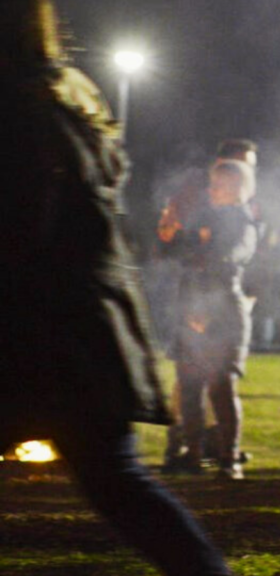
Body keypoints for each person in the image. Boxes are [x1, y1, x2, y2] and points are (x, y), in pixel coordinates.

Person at [0, 2, 232, 573]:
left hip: (54, 340)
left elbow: (19, 228)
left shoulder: (24, 113)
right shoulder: (62, 103)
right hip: (74, 338)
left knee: (119, 483)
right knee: (119, 482)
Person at [159, 139, 258, 473]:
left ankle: (229, 459)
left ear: (235, 187)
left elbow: (225, 260)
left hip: (221, 311)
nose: (212, 189)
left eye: (218, 184)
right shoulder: (210, 216)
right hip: (194, 306)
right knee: (189, 385)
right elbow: (182, 254)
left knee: (220, 386)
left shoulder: (242, 221)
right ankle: (192, 453)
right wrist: (171, 235)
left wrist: (205, 309)